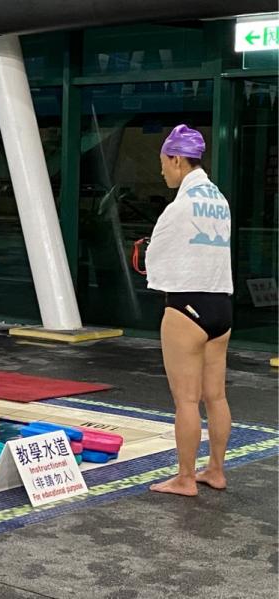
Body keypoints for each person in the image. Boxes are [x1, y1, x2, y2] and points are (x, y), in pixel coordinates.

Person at [145, 124, 233, 497]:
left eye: (164, 162)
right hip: (221, 306)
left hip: (186, 307)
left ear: (177, 159)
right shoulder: (219, 200)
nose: (162, 170)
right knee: (216, 396)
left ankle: (184, 478)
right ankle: (216, 470)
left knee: (186, 400)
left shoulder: (179, 206)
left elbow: (154, 258)